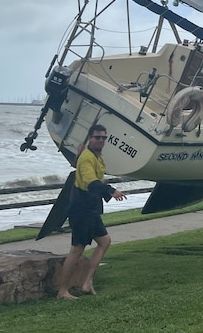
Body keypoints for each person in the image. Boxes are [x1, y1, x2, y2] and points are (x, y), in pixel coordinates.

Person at [57, 124, 126, 300]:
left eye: (104, 138)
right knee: (77, 250)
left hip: (92, 209)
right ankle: (63, 291)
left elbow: (86, 172)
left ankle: (87, 283)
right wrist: (111, 191)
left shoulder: (95, 155)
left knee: (105, 241)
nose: (101, 140)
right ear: (90, 138)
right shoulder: (88, 157)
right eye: (97, 137)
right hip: (81, 209)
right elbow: (91, 183)